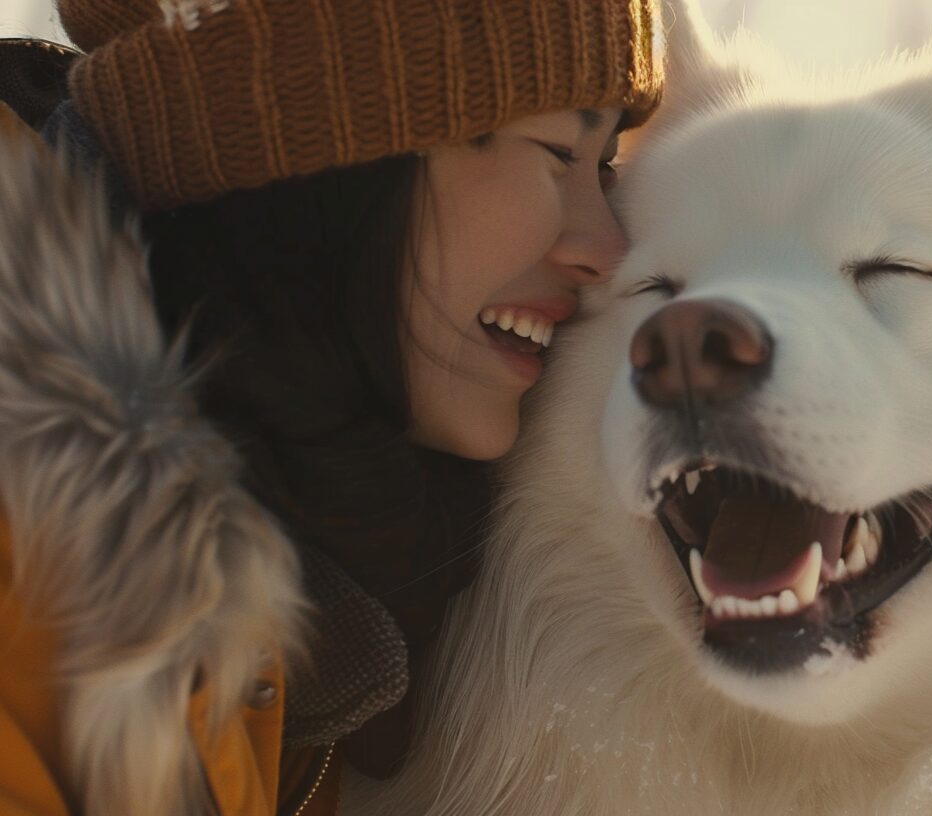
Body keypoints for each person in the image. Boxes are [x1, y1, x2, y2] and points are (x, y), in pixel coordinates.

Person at [0, 0, 662, 813]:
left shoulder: (339, 587)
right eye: (558, 151)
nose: (608, 250)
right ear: (323, 162)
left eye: (605, 169)